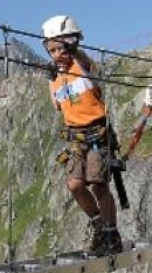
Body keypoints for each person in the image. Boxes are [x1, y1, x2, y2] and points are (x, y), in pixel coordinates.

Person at [42, 15, 123, 256]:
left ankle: (111, 233)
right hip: (75, 138)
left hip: (98, 134)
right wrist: (52, 80)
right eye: (52, 50)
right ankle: (98, 225)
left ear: (72, 45)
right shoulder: (55, 77)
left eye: (61, 48)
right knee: (75, 185)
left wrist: (74, 51)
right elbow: (58, 106)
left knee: (98, 185)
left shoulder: (84, 67)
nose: (57, 54)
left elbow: (87, 63)